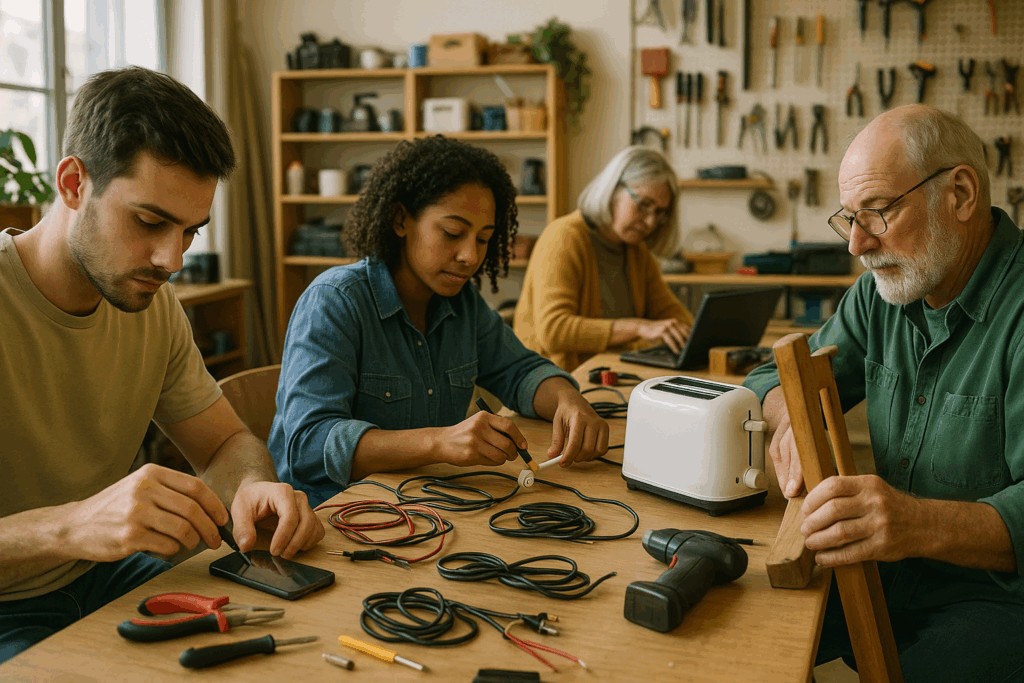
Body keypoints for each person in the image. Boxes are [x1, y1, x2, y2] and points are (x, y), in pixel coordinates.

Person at [0, 67, 324, 663]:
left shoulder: (153, 305)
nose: (171, 259)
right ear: (73, 184)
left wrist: (252, 486)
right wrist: (74, 526)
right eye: (149, 222)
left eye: (190, 232)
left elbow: (225, 442)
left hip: (109, 575)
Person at [744, 105, 1024, 682]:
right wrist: (793, 418)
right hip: (887, 572)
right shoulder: (883, 295)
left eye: (877, 212)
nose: (856, 244)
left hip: (998, 601)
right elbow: (768, 378)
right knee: (738, 630)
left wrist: (917, 523)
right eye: (849, 218)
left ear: (961, 194)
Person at [269, 135, 609, 507]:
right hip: (333, 514)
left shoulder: (462, 303)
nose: (470, 256)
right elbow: (308, 447)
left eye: (483, 239)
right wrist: (439, 442)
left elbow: (520, 371)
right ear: (400, 220)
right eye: (452, 233)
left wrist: (569, 400)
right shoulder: (334, 302)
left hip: (426, 505)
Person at [513, 146, 694, 372]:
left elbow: (676, 318)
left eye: (659, 213)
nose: (650, 222)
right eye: (644, 205)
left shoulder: (637, 252)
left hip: (611, 375)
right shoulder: (564, 236)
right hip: (553, 379)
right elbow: (554, 331)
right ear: (613, 190)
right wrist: (638, 328)